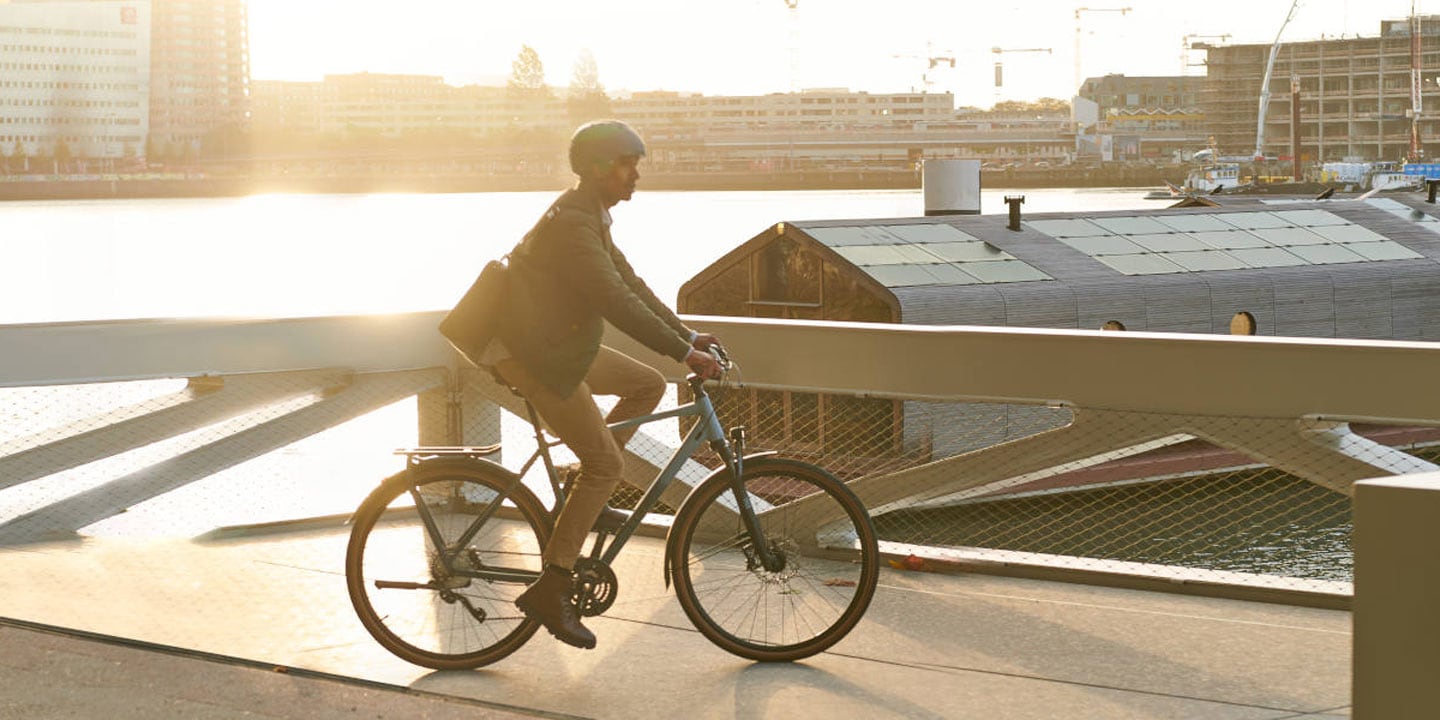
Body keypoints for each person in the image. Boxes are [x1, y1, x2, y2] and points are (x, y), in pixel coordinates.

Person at [489, 120, 723, 650]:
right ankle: (552, 587)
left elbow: (631, 284)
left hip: (558, 345)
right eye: (625, 163)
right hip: (534, 355)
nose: (634, 174)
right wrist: (684, 352)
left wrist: (685, 334)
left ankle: (580, 493)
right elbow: (613, 301)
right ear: (596, 168)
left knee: (645, 384)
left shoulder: (591, 216)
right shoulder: (573, 225)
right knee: (607, 466)